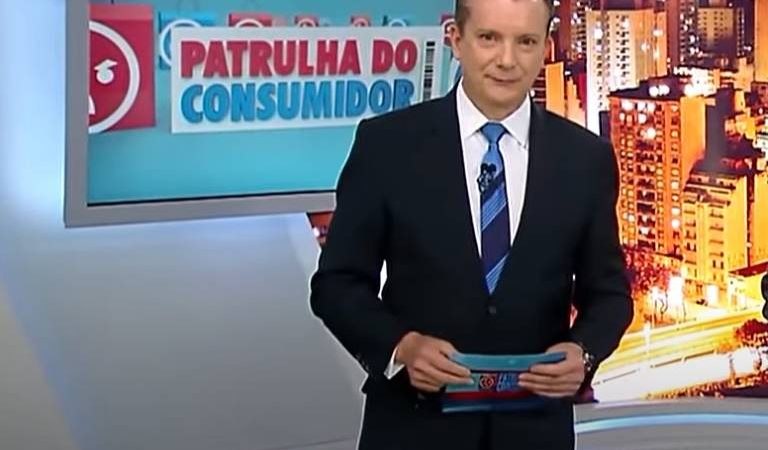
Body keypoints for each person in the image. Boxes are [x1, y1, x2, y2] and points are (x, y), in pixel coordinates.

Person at [309, 0, 633, 448]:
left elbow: (610, 295)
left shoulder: (585, 159)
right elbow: (336, 284)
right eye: (489, 38)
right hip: (413, 430)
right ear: (456, 40)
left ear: (545, 49)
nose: (507, 59)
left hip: (534, 433)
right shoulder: (386, 146)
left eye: (525, 42)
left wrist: (585, 352)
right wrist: (401, 346)